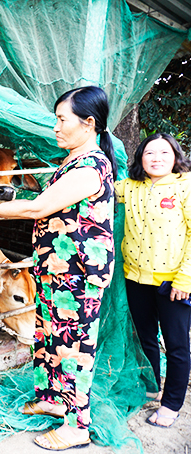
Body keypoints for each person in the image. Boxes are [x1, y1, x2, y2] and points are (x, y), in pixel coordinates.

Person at [0, 85, 116, 451]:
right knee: (48, 337)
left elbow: (37, 208)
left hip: (78, 274)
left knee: (75, 346)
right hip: (56, 269)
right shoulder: (71, 162)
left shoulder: (91, 166)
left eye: (62, 120)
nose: (56, 127)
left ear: (88, 124)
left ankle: (78, 426)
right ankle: (53, 399)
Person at [115, 132, 191, 428]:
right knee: (144, 337)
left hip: (174, 282)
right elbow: (97, 190)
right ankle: (150, 386)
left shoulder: (185, 186)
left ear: (175, 157)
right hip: (135, 278)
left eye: (164, 153)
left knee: (176, 345)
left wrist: (185, 279)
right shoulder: (130, 187)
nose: (156, 158)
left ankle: (171, 404)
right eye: (149, 153)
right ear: (140, 158)